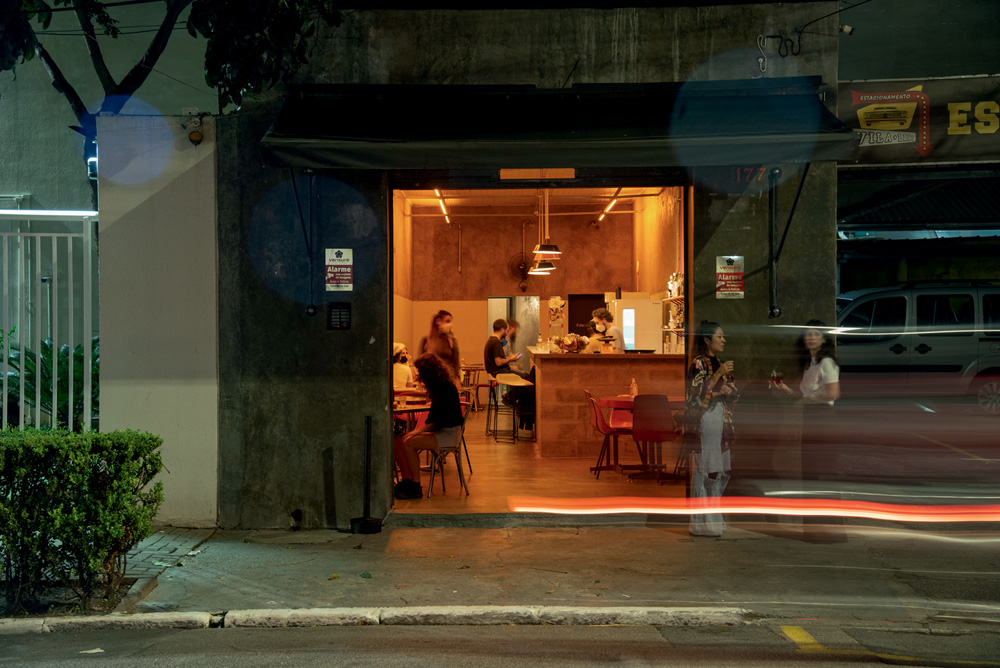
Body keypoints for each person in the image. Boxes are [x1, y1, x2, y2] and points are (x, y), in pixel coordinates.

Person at [771, 319, 844, 541]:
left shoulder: (827, 363)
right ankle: (815, 532)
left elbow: (833, 394)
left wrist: (804, 402)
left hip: (824, 422)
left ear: (824, 338)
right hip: (812, 421)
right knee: (811, 477)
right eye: (807, 333)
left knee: (822, 477)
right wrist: (786, 390)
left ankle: (828, 533)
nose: (810, 337)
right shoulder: (810, 364)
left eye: (816, 333)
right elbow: (806, 395)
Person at [685, 320, 739, 537]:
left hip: (722, 419)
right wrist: (718, 379)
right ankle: (701, 524)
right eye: (719, 336)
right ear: (707, 340)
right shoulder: (698, 364)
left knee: (721, 468)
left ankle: (713, 520)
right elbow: (695, 396)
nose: (723, 340)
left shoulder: (722, 363)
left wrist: (728, 391)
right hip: (706, 420)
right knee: (706, 467)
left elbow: (734, 394)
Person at [393, 353, 464, 500]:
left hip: (449, 434)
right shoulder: (441, 386)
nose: (419, 375)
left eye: (420, 372)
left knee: (408, 442)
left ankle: (415, 487)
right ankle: (406, 481)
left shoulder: (444, 389)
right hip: (442, 430)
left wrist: (414, 432)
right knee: (398, 440)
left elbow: (436, 422)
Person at [418, 309, 461, 387]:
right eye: (447, 321)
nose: (450, 324)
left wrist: (457, 378)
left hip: (448, 379)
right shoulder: (427, 341)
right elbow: (421, 363)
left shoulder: (451, 341)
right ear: (438, 321)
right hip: (432, 380)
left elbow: (455, 362)